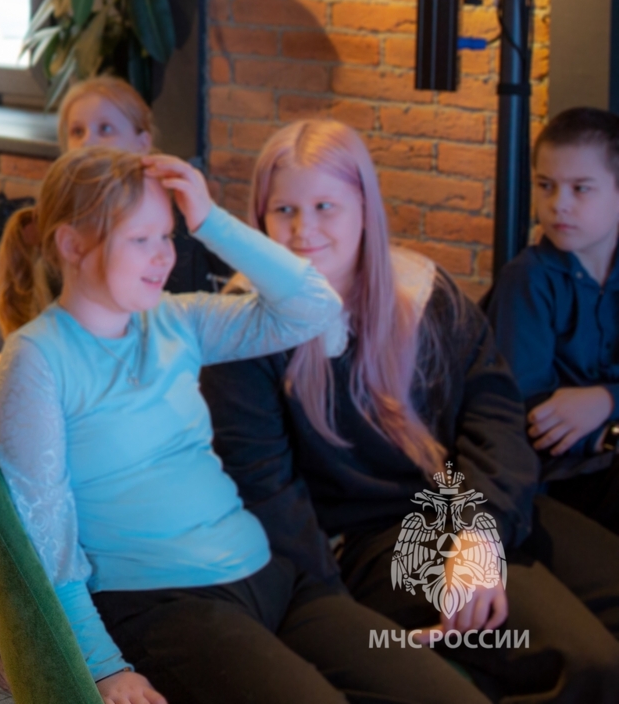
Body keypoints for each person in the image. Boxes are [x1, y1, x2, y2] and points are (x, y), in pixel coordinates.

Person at [0, 146, 484, 704]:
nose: (164, 256)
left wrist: (208, 219)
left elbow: (314, 306)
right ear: (72, 244)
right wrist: (103, 666)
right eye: (140, 239)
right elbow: (44, 540)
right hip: (161, 603)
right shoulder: (36, 360)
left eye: (168, 235)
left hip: (273, 576)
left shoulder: (176, 318)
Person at [203, 120, 619, 701]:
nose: (303, 230)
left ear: (365, 209)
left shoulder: (423, 289)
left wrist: (480, 532)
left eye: (325, 207)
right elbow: (267, 492)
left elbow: (493, 413)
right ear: (260, 216)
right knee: (585, 662)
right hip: (374, 540)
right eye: (284, 210)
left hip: (471, 504)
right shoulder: (243, 328)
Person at [492, 107, 619, 535]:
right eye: (545, 185)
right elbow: (526, 410)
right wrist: (604, 435)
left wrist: (606, 401)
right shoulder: (527, 279)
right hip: (563, 474)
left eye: (581, 189)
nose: (558, 204)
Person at [55, 76, 229, 294]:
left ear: (143, 143)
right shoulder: (60, 219)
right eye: (77, 132)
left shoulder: (182, 224)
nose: (87, 142)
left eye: (105, 129)